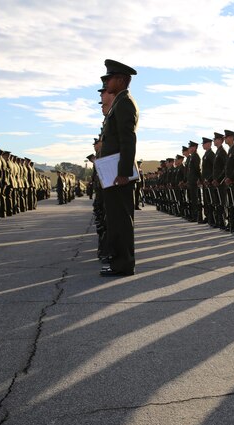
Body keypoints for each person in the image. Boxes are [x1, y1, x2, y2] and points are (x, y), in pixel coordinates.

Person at [98, 59, 139, 277]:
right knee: (115, 218)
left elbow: (128, 139)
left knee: (121, 220)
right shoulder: (120, 102)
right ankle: (118, 261)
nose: (106, 82)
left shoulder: (125, 103)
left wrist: (123, 172)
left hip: (118, 173)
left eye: (109, 78)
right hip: (113, 171)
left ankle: (123, 264)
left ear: (121, 80)